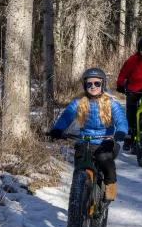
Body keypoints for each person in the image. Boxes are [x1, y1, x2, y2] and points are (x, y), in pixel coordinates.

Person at [49, 68, 128, 201]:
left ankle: (110, 184)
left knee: (103, 158)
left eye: (96, 83)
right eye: (89, 84)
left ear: (102, 84)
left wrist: (121, 132)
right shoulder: (78, 103)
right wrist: (58, 129)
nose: (93, 87)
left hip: (106, 141)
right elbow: (66, 117)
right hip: (85, 141)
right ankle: (79, 194)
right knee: (80, 165)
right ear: (84, 86)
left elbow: (121, 119)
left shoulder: (111, 104)